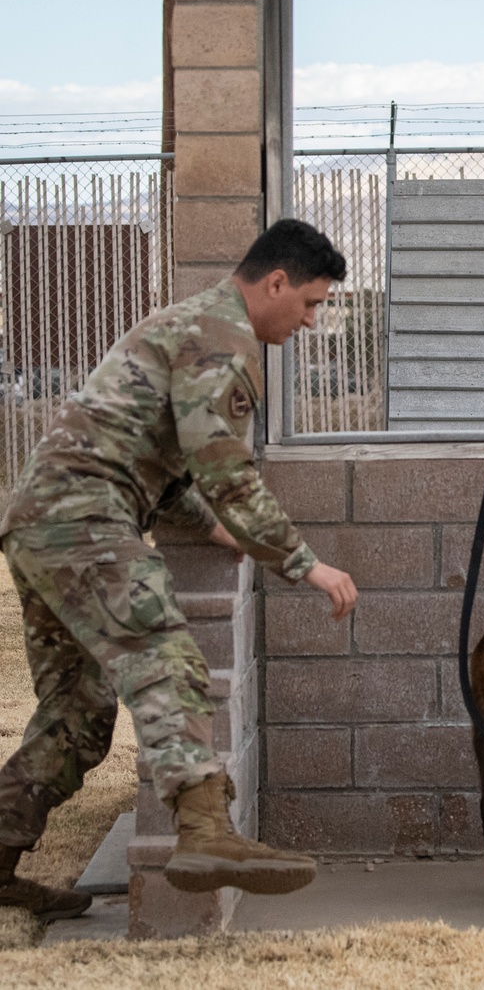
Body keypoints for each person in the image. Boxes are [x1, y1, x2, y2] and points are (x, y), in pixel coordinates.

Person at [0, 218, 358, 920]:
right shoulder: (219, 340)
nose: (313, 320)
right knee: (164, 654)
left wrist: (209, 525)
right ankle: (205, 829)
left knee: (78, 714)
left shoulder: (189, 322)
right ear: (276, 282)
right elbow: (227, 470)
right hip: (82, 518)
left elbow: (159, 457)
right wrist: (306, 564)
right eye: (311, 302)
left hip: (44, 519)